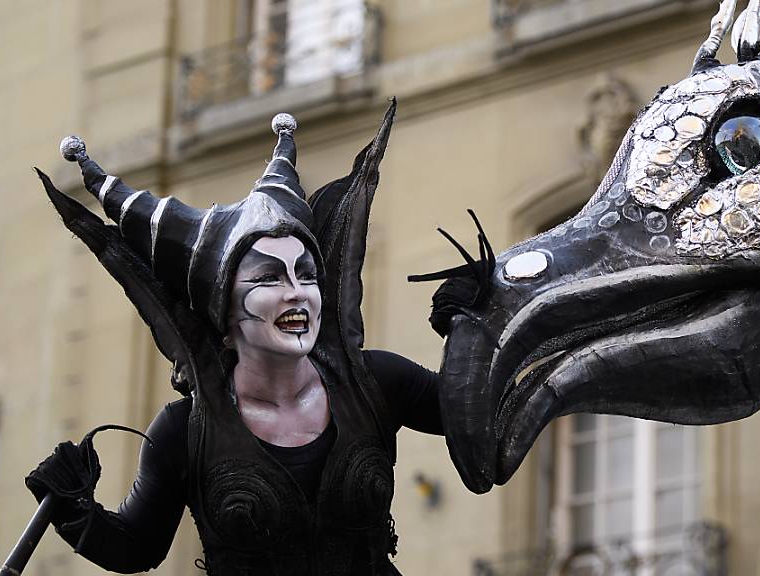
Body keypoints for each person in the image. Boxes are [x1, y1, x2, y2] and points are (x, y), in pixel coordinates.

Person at [26, 103, 447, 575]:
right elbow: (137, 547)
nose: (297, 294)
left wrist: (477, 314)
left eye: (306, 275)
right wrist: (70, 506)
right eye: (269, 278)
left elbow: (473, 413)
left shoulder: (378, 383)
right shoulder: (182, 432)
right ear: (223, 307)